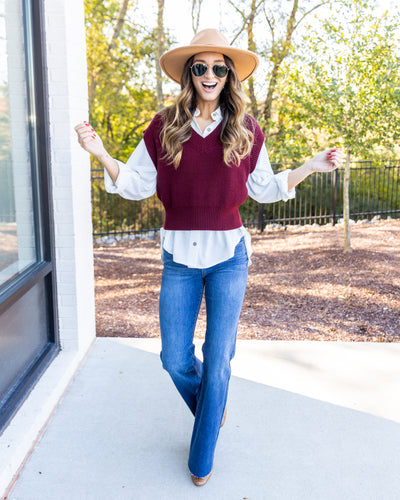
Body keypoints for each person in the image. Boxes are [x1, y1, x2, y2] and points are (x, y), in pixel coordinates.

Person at [75, 28, 344, 486]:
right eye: (201, 67)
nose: (210, 75)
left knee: (218, 358)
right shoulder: (163, 126)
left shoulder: (246, 129)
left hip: (229, 257)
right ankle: (213, 405)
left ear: (229, 76)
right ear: (189, 74)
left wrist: (309, 166)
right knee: (174, 358)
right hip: (179, 257)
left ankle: (201, 460)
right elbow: (137, 183)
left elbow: (262, 189)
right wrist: (99, 152)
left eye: (220, 68)